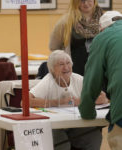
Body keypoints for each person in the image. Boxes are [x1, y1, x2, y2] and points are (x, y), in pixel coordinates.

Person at [29, 50, 108, 150]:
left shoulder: (78, 79)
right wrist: (57, 103)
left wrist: (77, 101)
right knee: (62, 144)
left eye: (68, 63)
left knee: (93, 137)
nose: (66, 67)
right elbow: (25, 101)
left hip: (76, 124)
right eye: (61, 64)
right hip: (55, 126)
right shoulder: (48, 80)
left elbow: (103, 97)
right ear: (52, 69)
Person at [78, 11, 122, 150]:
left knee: (117, 138)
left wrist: (87, 112)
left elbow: (92, 79)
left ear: (102, 29)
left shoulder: (102, 37)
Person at [49, 0, 103, 76]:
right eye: (82, 1)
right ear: (75, 2)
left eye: (89, 0)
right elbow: (54, 46)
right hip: (75, 71)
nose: (86, 3)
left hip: (99, 69)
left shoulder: (104, 20)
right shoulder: (65, 22)